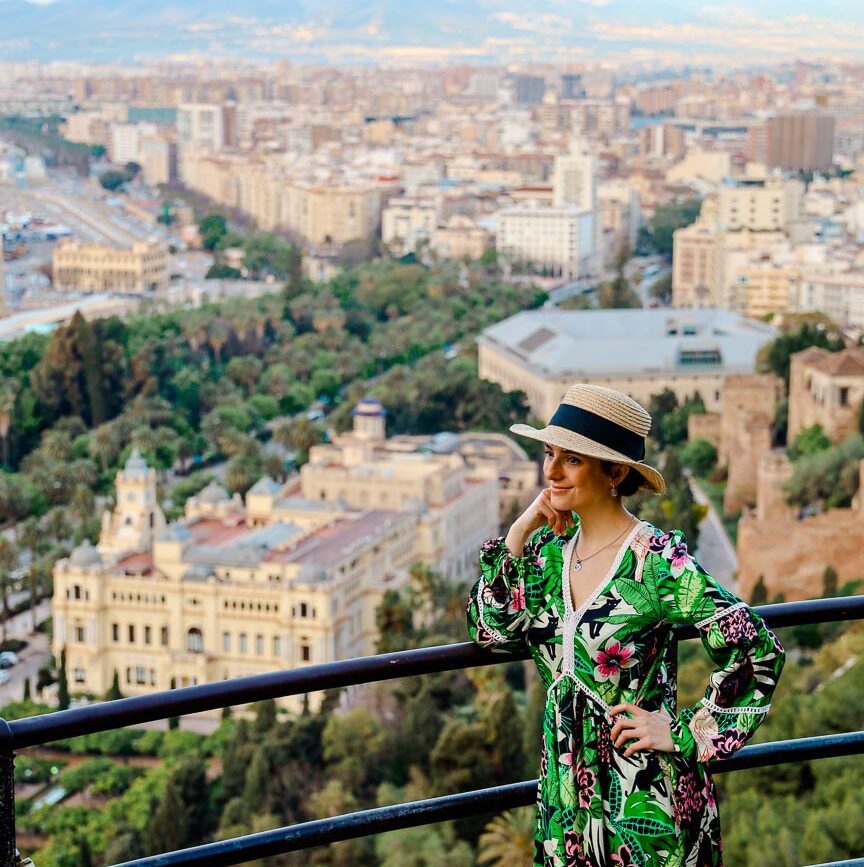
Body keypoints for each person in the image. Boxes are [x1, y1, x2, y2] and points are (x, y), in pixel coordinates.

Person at [466, 383, 786, 867]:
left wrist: (684, 732)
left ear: (614, 471)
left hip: (645, 800)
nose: (549, 471)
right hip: (566, 803)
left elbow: (757, 650)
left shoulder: (656, 562)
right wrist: (520, 529)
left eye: (571, 460)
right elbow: (493, 630)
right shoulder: (549, 556)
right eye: (549, 454)